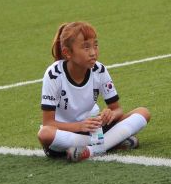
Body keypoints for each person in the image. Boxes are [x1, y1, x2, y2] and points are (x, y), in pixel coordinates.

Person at [37, 21, 150, 161]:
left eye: (95, 45)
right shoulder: (53, 74)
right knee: (45, 134)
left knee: (143, 112)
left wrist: (110, 114)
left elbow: (117, 110)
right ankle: (112, 143)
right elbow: (48, 123)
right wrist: (80, 126)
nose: (93, 52)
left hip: (95, 129)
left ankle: (90, 151)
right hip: (65, 132)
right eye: (86, 47)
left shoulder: (99, 70)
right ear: (67, 53)